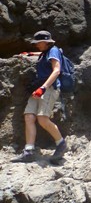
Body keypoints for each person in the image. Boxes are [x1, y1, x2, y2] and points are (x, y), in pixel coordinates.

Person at [14, 31, 68, 163]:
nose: (36, 45)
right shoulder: (46, 52)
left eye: (38, 43)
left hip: (48, 88)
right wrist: (30, 54)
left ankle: (61, 144)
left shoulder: (53, 50)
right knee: (29, 116)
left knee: (43, 119)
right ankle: (29, 151)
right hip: (39, 88)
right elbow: (44, 56)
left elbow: (56, 70)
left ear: (45, 42)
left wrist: (43, 88)